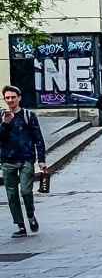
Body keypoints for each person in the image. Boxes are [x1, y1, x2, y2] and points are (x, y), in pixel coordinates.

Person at [0, 86, 46, 238]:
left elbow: (38, 138)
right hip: (7, 160)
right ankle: (20, 225)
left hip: (26, 158)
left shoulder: (28, 115)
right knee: (12, 195)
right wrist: (5, 124)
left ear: (19, 98)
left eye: (13, 97)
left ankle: (31, 215)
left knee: (26, 191)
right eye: (7, 98)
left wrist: (41, 160)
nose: (10, 100)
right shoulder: (2, 116)